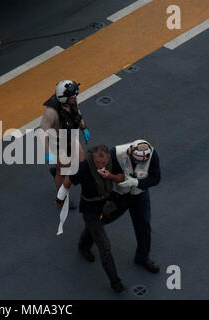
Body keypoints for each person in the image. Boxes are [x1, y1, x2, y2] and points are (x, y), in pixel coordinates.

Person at [55, 144, 127, 293]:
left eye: (104, 163)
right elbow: (68, 182)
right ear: (93, 158)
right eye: (98, 163)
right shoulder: (83, 168)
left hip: (107, 205)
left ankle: (83, 246)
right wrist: (59, 199)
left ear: (108, 158)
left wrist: (110, 176)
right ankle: (115, 281)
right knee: (104, 245)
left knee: (95, 229)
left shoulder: (112, 161)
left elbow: (121, 178)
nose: (101, 165)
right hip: (90, 210)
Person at [112, 139, 161, 273]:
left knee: (144, 225)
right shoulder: (117, 153)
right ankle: (86, 241)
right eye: (136, 161)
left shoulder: (152, 155)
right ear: (131, 152)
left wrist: (137, 183)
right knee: (104, 217)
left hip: (139, 193)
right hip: (119, 193)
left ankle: (142, 257)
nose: (139, 164)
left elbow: (156, 178)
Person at [40, 80, 91, 208]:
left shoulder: (71, 101)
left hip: (70, 137)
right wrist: (47, 154)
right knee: (62, 170)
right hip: (57, 143)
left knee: (81, 163)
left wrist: (84, 128)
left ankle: (57, 172)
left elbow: (77, 114)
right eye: (73, 97)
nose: (75, 99)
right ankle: (61, 197)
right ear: (64, 99)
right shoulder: (51, 113)